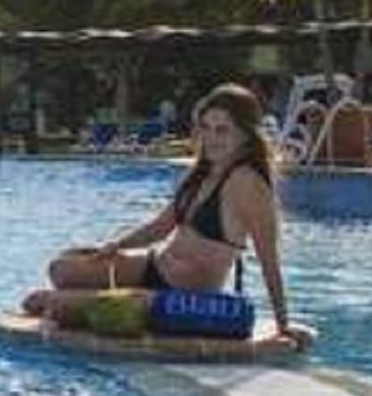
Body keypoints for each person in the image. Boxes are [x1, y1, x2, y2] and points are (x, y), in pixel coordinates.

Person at [26, 83, 313, 349]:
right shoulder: (203, 171)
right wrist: (116, 246)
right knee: (61, 269)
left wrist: (282, 325)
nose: (212, 138)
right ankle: (113, 292)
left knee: (47, 303)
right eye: (206, 128)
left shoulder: (249, 183)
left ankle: (109, 300)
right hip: (155, 268)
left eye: (222, 130)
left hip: (181, 297)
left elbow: (269, 258)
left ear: (245, 133)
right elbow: (162, 226)